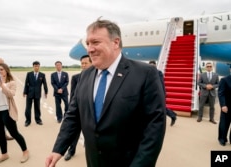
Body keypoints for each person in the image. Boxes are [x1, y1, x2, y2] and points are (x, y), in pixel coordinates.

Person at [45, 19, 166, 167]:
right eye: (88, 44)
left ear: (115, 43)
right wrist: (58, 149)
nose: (89, 49)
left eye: (95, 42)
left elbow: (155, 127)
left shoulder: (145, 74)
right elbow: (73, 115)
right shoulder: (85, 75)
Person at [0, 63, 29, 165]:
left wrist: (1, 83)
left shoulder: (11, 82)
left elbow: (10, 94)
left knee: (14, 133)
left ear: (6, 71)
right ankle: (4, 154)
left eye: (2, 69)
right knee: (0, 134)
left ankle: (25, 152)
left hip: (7, 111)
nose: (0, 71)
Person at [64, 54, 92, 161]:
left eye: (86, 63)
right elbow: (72, 95)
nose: (84, 65)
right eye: (82, 63)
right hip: (78, 111)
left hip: (90, 113)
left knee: (89, 135)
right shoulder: (76, 78)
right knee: (74, 133)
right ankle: (71, 151)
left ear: (92, 63)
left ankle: (89, 152)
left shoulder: (97, 77)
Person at [148, 60, 177, 126]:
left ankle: (172, 115)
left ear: (155, 65)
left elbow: (161, 84)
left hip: (158, 93)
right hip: (150, 93)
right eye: (150, 65)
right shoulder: (148, 73)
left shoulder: (159, 73)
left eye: (153, 65)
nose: (152, 67)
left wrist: (162, 95)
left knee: (161, 108)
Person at [23, 61, 48, 126]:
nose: (36, 67)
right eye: (35, 66)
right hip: (29, 93)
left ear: (39, 66)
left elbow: (44, 84)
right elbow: (26, 83)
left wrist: (46, 91)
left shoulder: (42, 75)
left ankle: (38, 120)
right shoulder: (29, 74)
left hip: (37, 93)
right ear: (33, 67)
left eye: (37, 66)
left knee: (37, 107)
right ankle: (27, 121)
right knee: (28, 108)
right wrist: (25, 92)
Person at [218, 73, 231, 146]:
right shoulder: (224, 80)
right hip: (227, 106)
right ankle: (222, 139)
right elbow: (221, 93)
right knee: (224, 124)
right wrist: (223, 105)